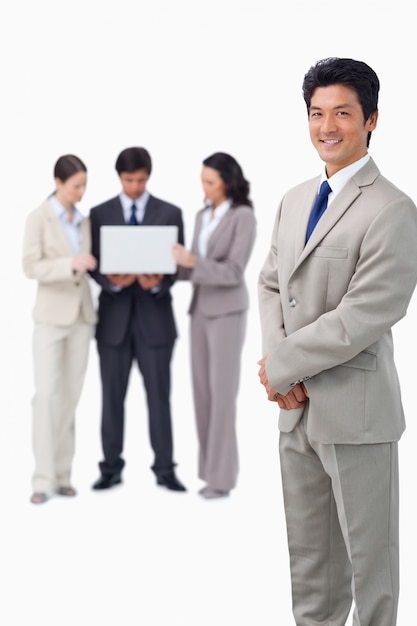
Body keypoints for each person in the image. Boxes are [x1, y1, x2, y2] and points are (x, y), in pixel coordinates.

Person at [257, 57, 417, 625]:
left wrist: (282, 366)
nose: (327, 126)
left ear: (371, 119)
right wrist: (283, 369)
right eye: (317, 113)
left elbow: (367, 312)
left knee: (370, 569)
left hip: (357, 414)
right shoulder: (294, 198)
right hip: (296, 413)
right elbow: (273, 282)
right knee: (312, 567)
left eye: (342, 113)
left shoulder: (392, 209)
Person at [89, 146, 186, 492]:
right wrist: (110, 282)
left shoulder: (170, 212)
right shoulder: (98, 213)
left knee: (159, 398)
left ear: (149, 176)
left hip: (155, 321)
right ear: (119, 177)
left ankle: (165, 469)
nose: (135, 187)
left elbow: (178, 267)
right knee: (111, 398)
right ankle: (110, 468)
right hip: (113, 323)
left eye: (141, 180)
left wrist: (159, 282)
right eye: (129, 180)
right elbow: (94, 265)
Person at [172, 152, 256, 499]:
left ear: (227, 182)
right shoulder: (200, 215)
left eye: (210, 181)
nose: (204, 187)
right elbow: (193, 268)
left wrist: (193, 261)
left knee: (223, 396)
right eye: (202, 180)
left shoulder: (243, 217)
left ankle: (221, 479)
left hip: (227, 312)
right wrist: (164, 268)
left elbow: (234, 271)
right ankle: (209, 472)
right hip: (199, 310)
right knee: (203, 395)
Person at [22, 154, 98, 505]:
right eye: (75, 186)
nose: (81, 192)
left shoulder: (81, 221)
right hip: (51, 318)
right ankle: (42, 479)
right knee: (46, 397)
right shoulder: (38, 218)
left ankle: (64, 475)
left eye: (84, 185)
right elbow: (30, 265)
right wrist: (70, 263)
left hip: (81, 317)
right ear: (58, 183)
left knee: (69, 398)